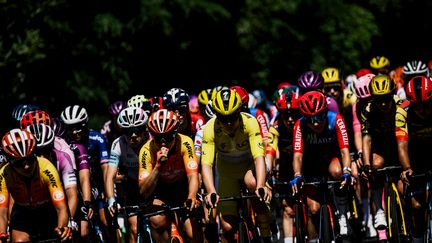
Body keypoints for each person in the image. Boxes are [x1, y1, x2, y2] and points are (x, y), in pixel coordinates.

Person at [200, 89, 272, 242]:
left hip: (249, 166)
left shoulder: (250, 122)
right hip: (227, 172)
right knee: (227, 226)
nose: (228, 123)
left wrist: (261, 184)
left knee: (253, 184)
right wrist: (211, 191)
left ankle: (266, 231)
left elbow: (259, 157)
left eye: (232, 118)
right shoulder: (209, 129)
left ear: (239, 111)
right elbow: (206, 164)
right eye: (223, 118)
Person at [289, 90, 353, 240]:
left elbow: (345, 151)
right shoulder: (299, 125)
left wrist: (347, 171)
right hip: (310, 166)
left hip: (331, 160)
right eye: (311, 119)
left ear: (325, 112)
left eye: (319, 117)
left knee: (338, 172)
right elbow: (297, 155)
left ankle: (342, 213)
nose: (316, 122)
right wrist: (297, 175)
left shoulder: (336, 119)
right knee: (313, 209)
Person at [359, 74, 412, 241]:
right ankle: (380, 210)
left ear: (392, 95)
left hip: (400, 146)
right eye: (378, 99)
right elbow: (366, 139)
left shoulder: (403, 105)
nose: (383, 104)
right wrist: (366, 165)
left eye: (386, 99)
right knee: (375, 164)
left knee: (404, 191)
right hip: (380, 148)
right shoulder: (367, 110)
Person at [138, 109, 202, 243]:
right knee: (156, 221)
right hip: (161, 190)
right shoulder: (146, 151)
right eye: (157, 138)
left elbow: (193, 175)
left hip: (182, 186)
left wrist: (191, 195)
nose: (163, 143)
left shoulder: (185, 142)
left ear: (175, 133)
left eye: (167, 138)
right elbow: (143, 191)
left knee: (192, 233)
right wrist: (157, 167)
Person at [0, 128, 72, 242]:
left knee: (62, 237)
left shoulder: (47, 168)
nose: (26, 166)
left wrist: (62, 227)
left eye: (29, 159)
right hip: (23, 213)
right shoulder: (5, 174)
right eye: (19, 163)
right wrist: (2, 233)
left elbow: (61, 207)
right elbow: (1, 212)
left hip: (47, 210)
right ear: (10, 162)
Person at [61, 105, 114, 242]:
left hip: (97, 183)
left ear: (86, 124)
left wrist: (108, 194)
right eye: (70, 128)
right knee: (82, 232)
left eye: (78, 127)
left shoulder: (97, 139)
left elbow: (105, 169)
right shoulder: (64, 143)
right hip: (74, 184)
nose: (74, 132)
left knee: (105, 221)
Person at [105, 107, 149, 243]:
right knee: (134, 229)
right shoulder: (118, 144)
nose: (133, 135)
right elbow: (109, 176)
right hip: (132, 187)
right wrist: (111, 200)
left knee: (158, 223)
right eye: (128, 132)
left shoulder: (151, 139)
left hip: (152, 186)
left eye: (137, 130)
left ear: (144, 129)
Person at [25, 123, 79, 231]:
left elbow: (72, 193)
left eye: (46, 151)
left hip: (62, 200)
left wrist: (69, 221)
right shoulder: (24, 165)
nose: (42, 157)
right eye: (37, 152)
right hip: (37, 205)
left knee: (81, 232)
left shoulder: (63, 158)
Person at [266, 86, 301, 242]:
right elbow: (270, 153)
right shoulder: (276, 127)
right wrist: (268, 172)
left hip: (306, 165)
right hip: (286, 168)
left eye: (293, 113)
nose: (290, 119)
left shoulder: (304, 123)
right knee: (288, 209)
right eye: (285, 115)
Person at [404, 75, 432, 243]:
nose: (421, 110)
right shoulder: (404, 113)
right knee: (416, 206)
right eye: (417, 106)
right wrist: (407, 167)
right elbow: (401, 146)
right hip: (416, 158)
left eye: (426, 105)